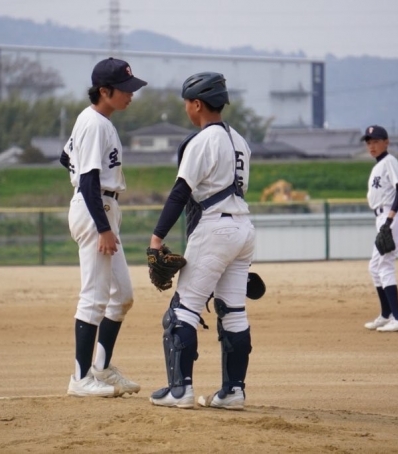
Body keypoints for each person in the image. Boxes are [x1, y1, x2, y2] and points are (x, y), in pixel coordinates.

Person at [148, 72, 256, 410]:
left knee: (181, 312)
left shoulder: (203, 140)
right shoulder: (240, 141)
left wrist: (156, 238)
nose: (186, 108)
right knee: (232, 311)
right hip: (244, 229)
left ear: (197, 104)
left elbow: (180, 193)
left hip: (215, 229)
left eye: (186, 102)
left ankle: (179, 390)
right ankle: (233, 392)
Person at [60, 57, 147, 397]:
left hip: (103, 208)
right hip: (96, 210)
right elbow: (88, 180)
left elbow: (65, 157)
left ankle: (101, 368)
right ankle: (80, 379)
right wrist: (103, 228)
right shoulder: (95, 124)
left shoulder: (96, 120)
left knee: (121, 296)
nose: (131, 94)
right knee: (94, 298)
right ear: (105, 91)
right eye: (124, 89)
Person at [362, 125, 398, 332]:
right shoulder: (379, 165)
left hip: (389, 215)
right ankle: (386, 314)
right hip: (386, 218)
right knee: (375, 267)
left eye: (376, 141)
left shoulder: (390, 161)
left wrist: (391, 220)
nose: (372, 146)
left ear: (386, 142)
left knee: (384, 266)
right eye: (369, 142)